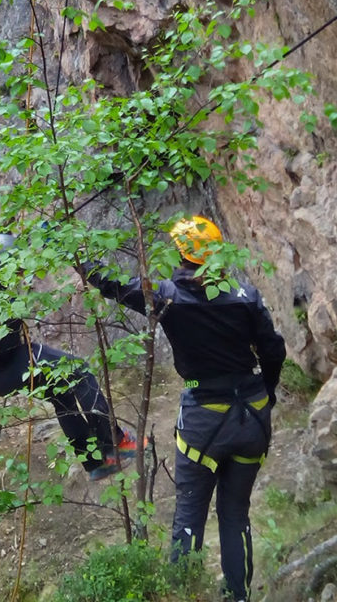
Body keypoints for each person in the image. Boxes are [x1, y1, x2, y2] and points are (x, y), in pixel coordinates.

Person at [81, 216, 286, 602]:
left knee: (189, 516)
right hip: (252, 415)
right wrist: (269, 394)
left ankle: (182, 593)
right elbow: (274, 350)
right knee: (236, 514)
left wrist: (77, 257)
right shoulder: (245, 295)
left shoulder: (167, 295)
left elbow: (112, 285)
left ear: (181, 253)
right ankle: (238, 596)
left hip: (203, 420)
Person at [0, 232, 137, 481]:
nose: (19, 273)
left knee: (61, 393)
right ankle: (113, 444)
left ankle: (95, 463)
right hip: (4, 365)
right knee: (79, 372)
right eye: (16, 267)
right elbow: (7, 341)